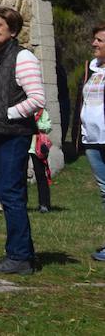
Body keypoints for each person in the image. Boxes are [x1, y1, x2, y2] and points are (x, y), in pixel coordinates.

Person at [0, 6, 46, 275]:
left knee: (12, 196)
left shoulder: (22, 57)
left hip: (13, 135)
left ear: (12, 30)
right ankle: (21, 252)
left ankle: (19, 257)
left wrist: (7, 114)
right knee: (8, 194)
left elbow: (37, 98)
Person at [71, 23, 105, 261]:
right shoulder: (92, 69)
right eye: (94, 39)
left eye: (100, 40)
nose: (94, 44)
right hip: (93, 139)